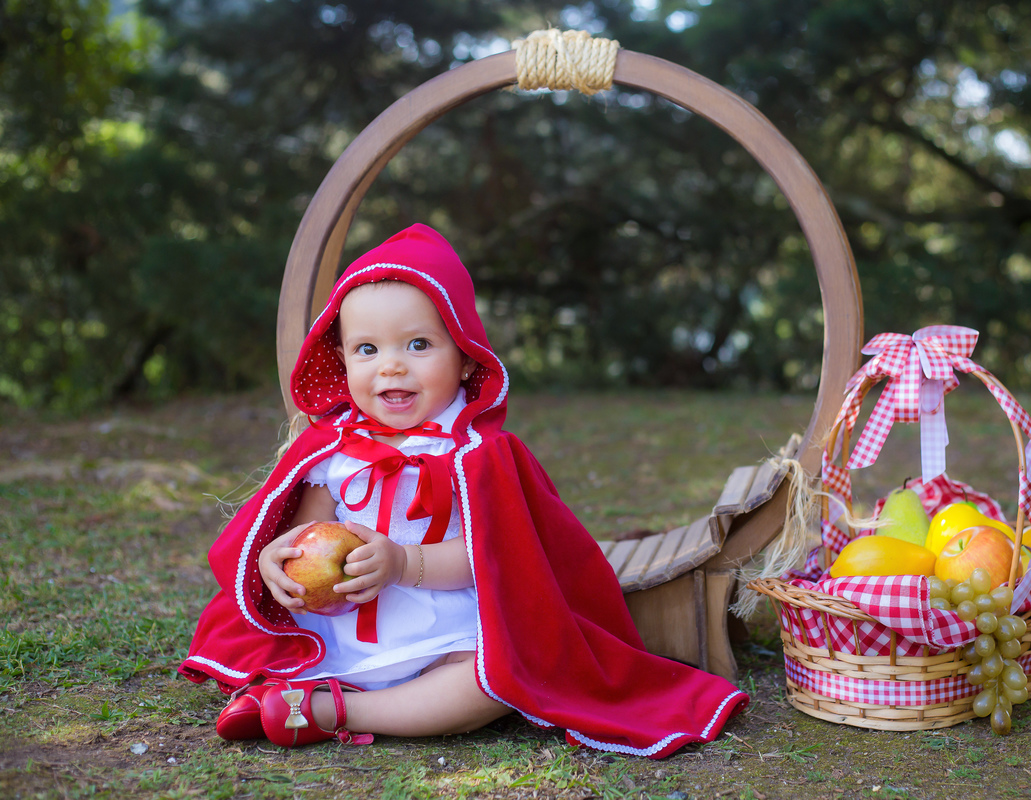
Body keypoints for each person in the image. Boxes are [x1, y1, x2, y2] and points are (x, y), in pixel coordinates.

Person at [180, 223, 747, 757]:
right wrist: (282, 562)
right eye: (367, 350)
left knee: (493, 682)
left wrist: (402, 562)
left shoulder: (476, 457)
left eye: (419, 345)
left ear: (463, 354)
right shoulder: (333, 450)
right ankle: (297, 692)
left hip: (440, 630)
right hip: (338, 631)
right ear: (342, 358)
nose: (392, 368)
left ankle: (336, 712)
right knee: (280, 644)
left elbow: (493, 558)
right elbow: (305, 529)